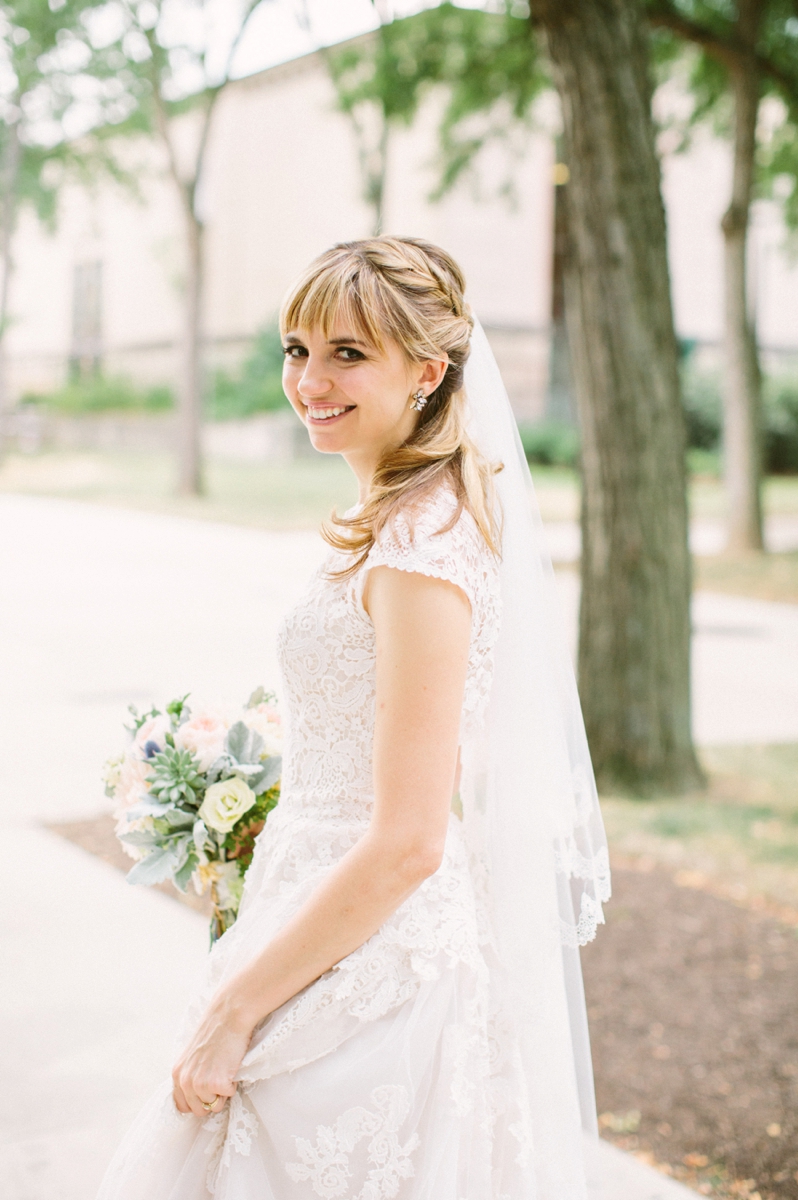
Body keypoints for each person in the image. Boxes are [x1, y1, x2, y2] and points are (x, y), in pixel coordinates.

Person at [97, 236, 610, 1200]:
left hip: (374, 957)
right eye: (298, 349)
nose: (309, 380)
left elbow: (412, 840)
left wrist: (237, 1010)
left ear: (427, 371)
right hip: (318, 898)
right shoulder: (404, 515)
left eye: (347, 353)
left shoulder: (422, 546)